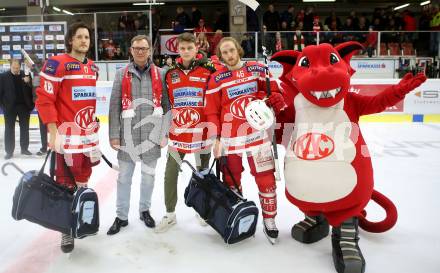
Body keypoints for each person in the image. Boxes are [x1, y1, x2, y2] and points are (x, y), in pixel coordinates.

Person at [204, 37, 287, 243]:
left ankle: (270, 220)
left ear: (238, 50)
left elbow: (274, 91)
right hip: (230, 139)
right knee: (232, 181)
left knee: (266, 179)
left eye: (231, 50)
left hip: (257, 136)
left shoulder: (257, 69)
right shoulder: (216, 78)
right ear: (221, 56)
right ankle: (239, 216)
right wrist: (216, 138)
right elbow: (212, 111)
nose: (229, 55)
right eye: (225, 53)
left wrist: (273, 98)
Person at [35, 22, 100, 253]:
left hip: (87, 138)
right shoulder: (56, 64)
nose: (84, 40)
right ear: (70, 40)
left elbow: (88, 102)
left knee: (83, 180)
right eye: (80, 37)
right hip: (66, 138)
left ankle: (80, 219)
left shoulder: (93, 67)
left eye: (87, 37)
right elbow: (44, 100)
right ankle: (65, 230)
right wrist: (54, 133)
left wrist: (94, 127)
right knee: (65, 185)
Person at [107, 35, 170, 236]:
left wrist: (164, 133)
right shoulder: (120, 74)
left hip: (151, 137)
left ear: (150, 50)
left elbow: (167, 107)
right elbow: (114, 106)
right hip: (127, 137)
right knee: (124, 178)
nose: (140, 51)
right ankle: (121, 216)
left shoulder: (160, 74)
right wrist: (114, 135)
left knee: (148, 178)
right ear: (131, 51)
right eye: (136, 48)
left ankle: (144, 210)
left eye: (144, 48)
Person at [155, 32, 216, 233]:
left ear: (196, 48)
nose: (186, 51)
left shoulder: (209, 69)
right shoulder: (169, 72)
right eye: (182, 48)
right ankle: (170, 214)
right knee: (170, 172)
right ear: (178, 49)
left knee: (203, 173)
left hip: (202, 131)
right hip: (178, 131)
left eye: (190, 48)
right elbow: (165, 104)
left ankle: (201, 209)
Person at [0, 59, 34, 159]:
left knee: (25, 128)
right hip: (9, 107)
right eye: (14, 68)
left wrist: (28, 83)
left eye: (17, 68)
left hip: (23, 106)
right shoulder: (3, 76)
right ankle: (9, 151)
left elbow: (31, 90)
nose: (16, 70)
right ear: (10, 66)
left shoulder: (26, 75)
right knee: (9, 129)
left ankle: (24, 149)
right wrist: (3, 106)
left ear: (20, 66)